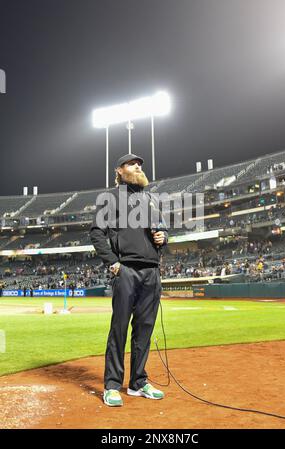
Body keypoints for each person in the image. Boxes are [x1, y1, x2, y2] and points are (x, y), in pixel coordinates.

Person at [90, 153, 168, 407]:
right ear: (119, 170)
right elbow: (96, 233)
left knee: (144, 330)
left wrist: (163, 238)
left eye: (140, 164)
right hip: (126, 270)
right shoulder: (111, 198)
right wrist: (113, 262)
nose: (137, 166)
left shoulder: (152, 199)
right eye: (132, 163)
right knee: (119, 329)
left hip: (151, 271)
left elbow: (163, 230)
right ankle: (112, 385)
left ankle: (138, 382)